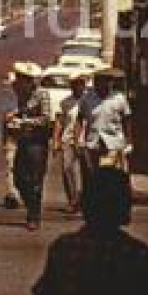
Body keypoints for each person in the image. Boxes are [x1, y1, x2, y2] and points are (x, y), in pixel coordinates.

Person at [8, 61, 54, 231]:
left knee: (35, 180)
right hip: (24, 140)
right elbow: (22, 111)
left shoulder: (42, 95)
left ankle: (34, 215)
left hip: (37, 142)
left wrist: (24, 121)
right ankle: (31, 206)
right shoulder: (22, 95)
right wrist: (15, 116)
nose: (18, 83)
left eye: (21, 79)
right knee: (19, 178)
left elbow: (46, 119)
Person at [83, 67, 133, 175]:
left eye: (103, 81)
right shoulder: (88, 99)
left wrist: (129, 142)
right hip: (94, 143)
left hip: (113, 142)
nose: (99, 84)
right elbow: (81, 118)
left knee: (114, 173)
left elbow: (127, 120)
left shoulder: (119, 98)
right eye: (97, 81)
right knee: (95, 174)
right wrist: (81, 139)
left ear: (109, 82)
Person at [56, 74, 93, 213]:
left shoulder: (89, 101)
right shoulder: (65, 102)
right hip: (68, 139)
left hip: (87, 140)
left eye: (79, 84)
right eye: (74, 84)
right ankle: (73, 200)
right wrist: (56, 140)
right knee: (67, 169)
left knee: (87, 172)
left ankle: (86, 200)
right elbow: (60, 122)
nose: (77, 87)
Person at [0, 70, 22, 211]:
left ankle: (25, 193)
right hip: (12, 136)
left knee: (25, 168)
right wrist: (4, 139)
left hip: (26, 136)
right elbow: (4, 120)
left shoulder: (32, 97)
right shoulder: (8, 98)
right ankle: (13, 194)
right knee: (10, 166)